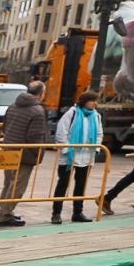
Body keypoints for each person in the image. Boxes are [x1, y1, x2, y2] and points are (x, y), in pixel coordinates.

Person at [0, 80, 51, 226]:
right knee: (18, 185)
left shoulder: (13, 106)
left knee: (8, 183)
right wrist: (37, 153)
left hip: (8, 149)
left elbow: (5, 126)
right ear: (41, 93)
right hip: (24, 153)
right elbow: (36, 136)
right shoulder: (37, 111)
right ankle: (5, 215)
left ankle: (5, 211)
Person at [51, 90, 103, 223]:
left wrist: (95, 148)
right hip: (70, 156)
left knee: (81, 185)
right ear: (85, 101)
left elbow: (99, 134)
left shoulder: (96, 116)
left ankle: (78, 212)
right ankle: (56, 213)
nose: (95, 103)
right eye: (93, 100)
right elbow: (62, 132)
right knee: (62, 184)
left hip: (86, 156)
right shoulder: (72, 113)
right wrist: (67, 149)